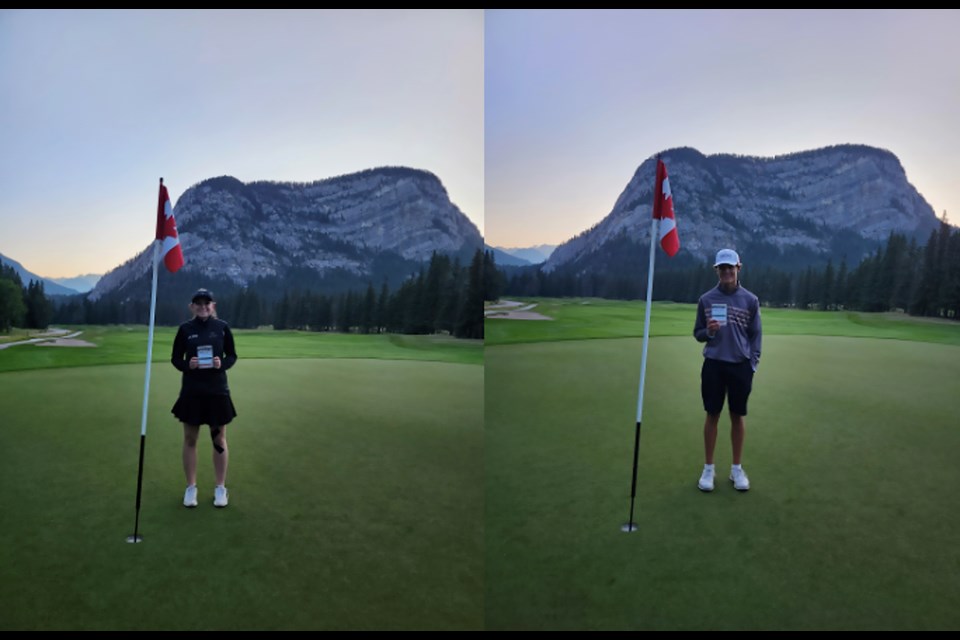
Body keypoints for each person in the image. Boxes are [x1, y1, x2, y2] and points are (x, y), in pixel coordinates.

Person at [692, 249, 762, 492]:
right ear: (716, 270)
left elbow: (756, 336)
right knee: (712, 415)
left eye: (730, 267)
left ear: (738, 268)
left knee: (737, 416)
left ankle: (736, 469)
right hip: (713, 364)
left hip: (740, 366)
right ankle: (709, 469)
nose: (726, 272)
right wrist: (709, 332)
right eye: (722, 268)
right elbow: (698, 333)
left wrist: (752, 364)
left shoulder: (750, 300)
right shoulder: (706, 299)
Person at [171, 288, 238, 508]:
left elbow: (232, 356)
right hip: (192, 392)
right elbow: (175, 359)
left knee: (218, 440)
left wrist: (222, 364)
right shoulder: (185, 330)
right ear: (192, 307)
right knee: (190, 439)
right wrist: (187, 365)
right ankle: (191, 488)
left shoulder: (222, 328)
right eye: (198, 303)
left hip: (217, 392)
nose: (203, 306)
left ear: (213, 305)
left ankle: (220, 488)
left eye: (207, 303)